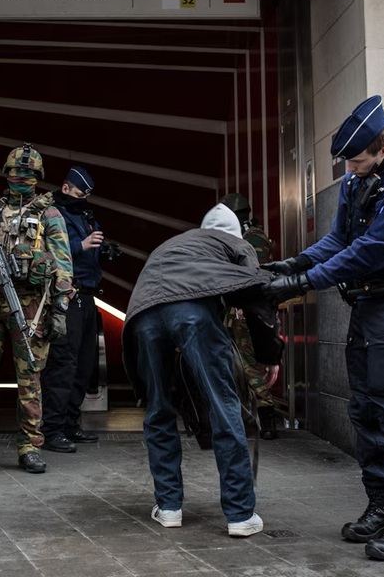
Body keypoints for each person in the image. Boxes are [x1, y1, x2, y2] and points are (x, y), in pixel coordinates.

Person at [263, 95, 384, 561]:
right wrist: (296, 263)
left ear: (383, 149)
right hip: (367, 309)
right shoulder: (358, 180)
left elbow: (370, 252)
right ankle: (382, 506)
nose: (350, 169)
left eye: (357, 160)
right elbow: (340, 239)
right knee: (365, 410)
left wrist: (302, 283)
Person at [122, 203, 281, 535]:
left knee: (158, 409)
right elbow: (256, 294)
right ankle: (240, 514)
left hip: (143, 316)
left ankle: (169, 507)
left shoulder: (178, 243)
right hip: (191, 313)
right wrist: (269, 355)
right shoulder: (236, 244)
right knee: (224, 404)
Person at [0, 144, 74, 475]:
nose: (21, 177)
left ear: (38, 177)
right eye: (16, 172)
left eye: (28, 173)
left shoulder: (50, 215)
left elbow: (63, 264)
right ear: (6, 174)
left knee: (30, 381)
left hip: (30, 306)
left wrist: (61, 306)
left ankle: (30, 446)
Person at [41, 166, 116, 453]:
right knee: (63, 364)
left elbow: (88, 256)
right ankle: (52, 429)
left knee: (84, 366)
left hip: (87, 296)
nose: (83, 198)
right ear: (65, 188)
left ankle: (70, 423)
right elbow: (48, 251)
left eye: (86, 194)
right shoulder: (52, 215)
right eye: (80, 192)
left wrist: (103, 252)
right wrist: (80, 245)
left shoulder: (86, 216)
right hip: (66, 296)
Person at [217, 193, 280, 440]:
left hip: (249, 311)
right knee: (239, 365)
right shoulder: (240, 236)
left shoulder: (252, 238)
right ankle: (251, 415)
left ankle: (266, 414)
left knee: (249, 364)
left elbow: (254, 275)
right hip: (238, 311)